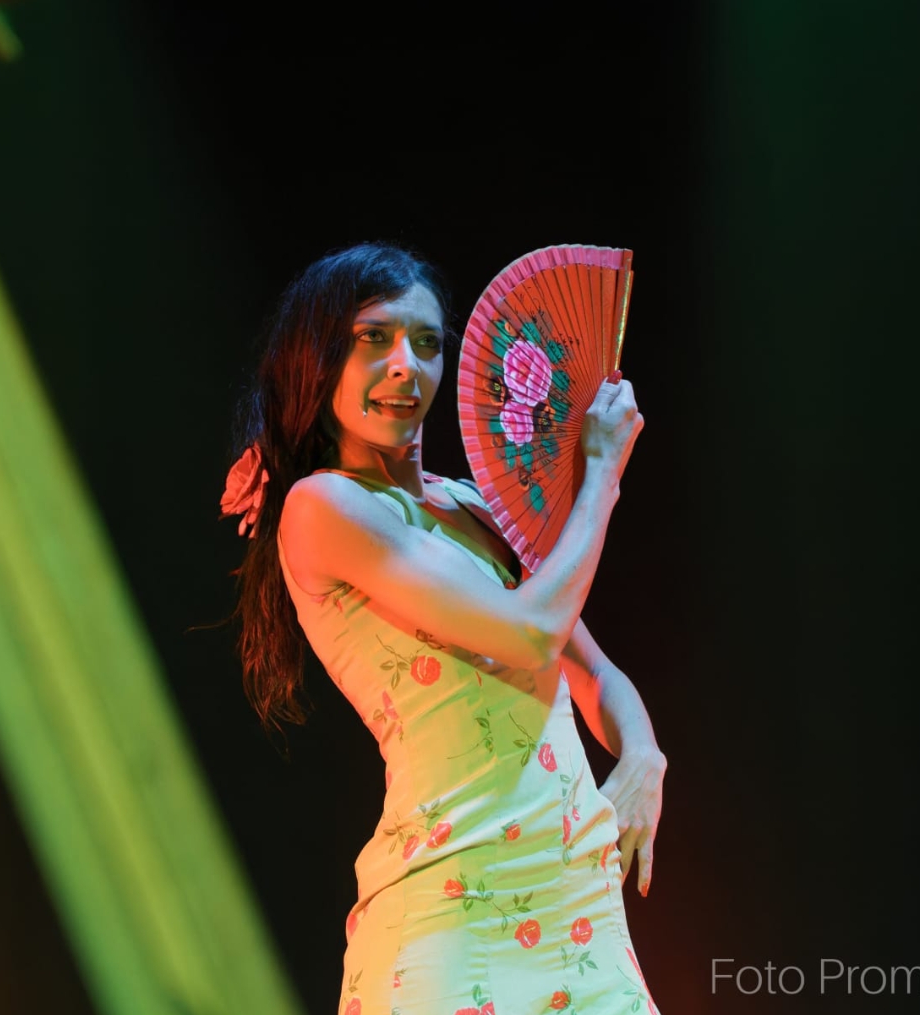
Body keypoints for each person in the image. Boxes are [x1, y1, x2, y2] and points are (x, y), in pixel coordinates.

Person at [220, 240, 667, 1015]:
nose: (406, 366)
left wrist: (643, 756)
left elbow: (592, 671)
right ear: (318, 357)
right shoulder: (323, 506)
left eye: (425, 342)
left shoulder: (472, 506)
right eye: (374, 338)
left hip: (578, 907)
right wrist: (600, 475)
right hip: (455, 911)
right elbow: (531, 631)